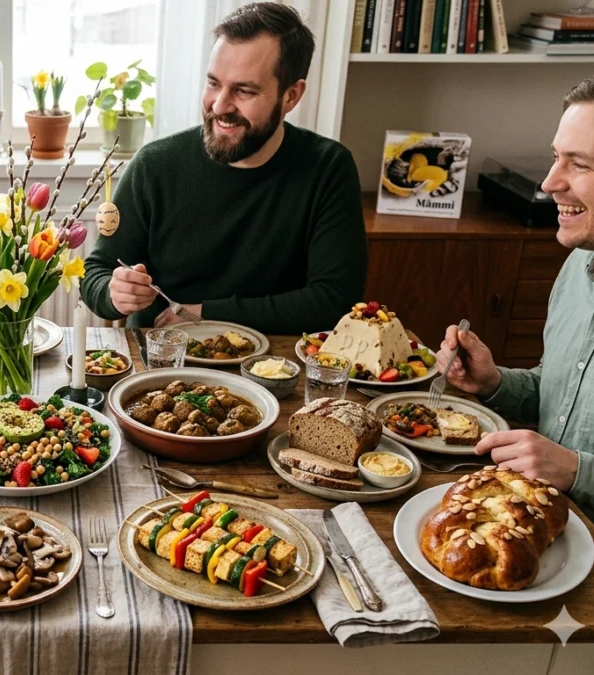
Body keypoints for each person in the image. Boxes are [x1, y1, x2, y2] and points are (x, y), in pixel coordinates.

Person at [81, 2, 366, 333]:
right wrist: (115, 292)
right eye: (214, 83)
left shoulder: (328, 168)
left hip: (273, 369)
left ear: (291, 96)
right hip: (159, 361)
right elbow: (96, 272)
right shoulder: (154, 165)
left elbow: (335, 301)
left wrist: (205, 314)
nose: (219, 106)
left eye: (244, 90)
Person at [436, 76, 594, 517]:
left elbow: (571, 458)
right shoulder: (578, 267)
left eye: (579, 165)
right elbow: (563, 397)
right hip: (536, 518)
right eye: (555, 157)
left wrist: (579, 471)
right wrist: (494, 383)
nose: (548, 182)